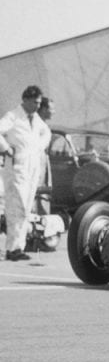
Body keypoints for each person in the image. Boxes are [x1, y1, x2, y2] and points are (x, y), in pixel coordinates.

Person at [0, 86, 51, 261]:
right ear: (26, 100)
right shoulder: (13, 116)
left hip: (31, 168)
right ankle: (12, 248)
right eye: (35, 102)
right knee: (16, 207)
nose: (38, 106)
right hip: (16, 168)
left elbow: (47, 133)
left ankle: (18, 247)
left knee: (26, 207)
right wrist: (6, 148)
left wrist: (38, 147)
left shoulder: (36, 120)